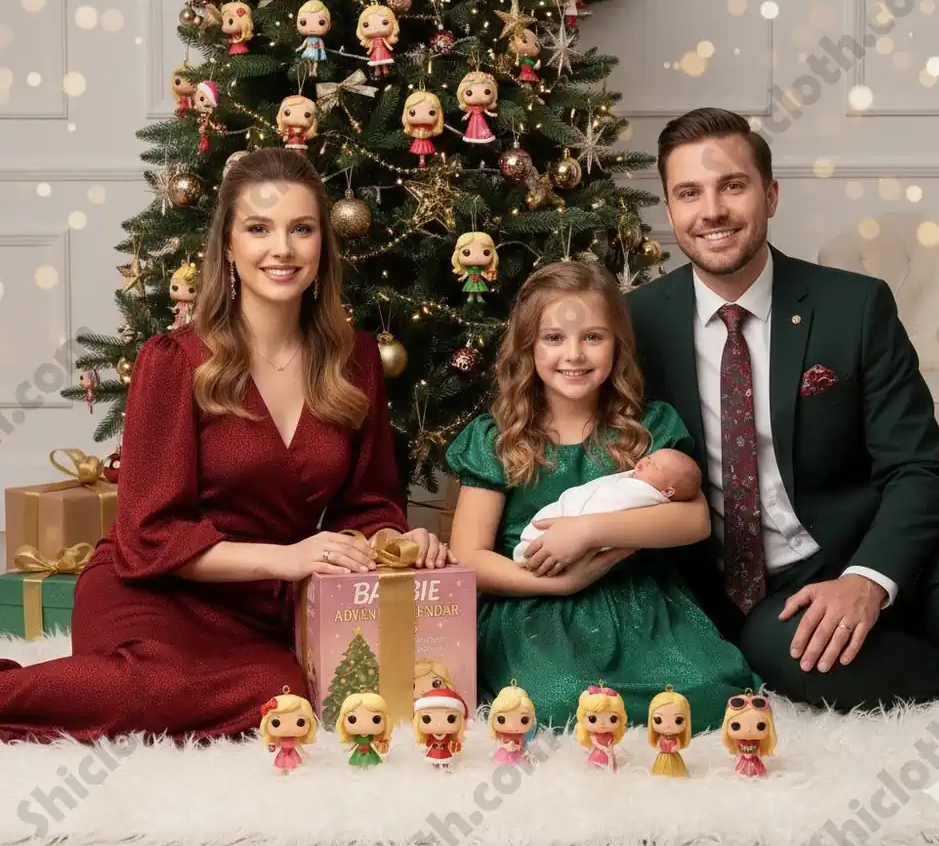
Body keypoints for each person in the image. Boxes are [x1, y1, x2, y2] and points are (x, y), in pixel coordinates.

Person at [0, 148, 450, 744]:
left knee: (282, 699)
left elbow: (367, 504)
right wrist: (285, 559)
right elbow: (149, 534)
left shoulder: (356, 358)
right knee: (154, 689)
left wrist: (395, 541)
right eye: (258, 228)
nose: (282, 249)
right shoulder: (174, 358)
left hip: (260, 609)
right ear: (229, 246)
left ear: (323, 244)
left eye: (301, 229)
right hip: (152, 589)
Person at [627, 107, 939, 712]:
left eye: (733, 186)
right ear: (670, 212)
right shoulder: (635, 324)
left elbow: (918, 469)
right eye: (689, 193)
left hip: (892, 545)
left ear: (770, 195)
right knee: (787, 653)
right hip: (769, 590)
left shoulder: (854, 305)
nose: (712, 210)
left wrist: (868, 579)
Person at [446, 260, 758, 732]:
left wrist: (589, 531)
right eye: (554, 338)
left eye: (593, 337)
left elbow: (693, 521)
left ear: (618, 344)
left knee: (712, 694)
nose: (574, 354)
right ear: (528, 347)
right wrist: (561, 584)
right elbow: (467, 558)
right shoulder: (498, 440)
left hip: (637, 606)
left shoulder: (646, 428)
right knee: (560, 707)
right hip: (533, 610)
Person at [512, 447, 702, 563]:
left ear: (668, 492)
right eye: (649, 457)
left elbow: (609, 504)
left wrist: (583, 530)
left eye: (655, 466)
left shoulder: (645, 495)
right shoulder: (634, 480)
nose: (644, 462)